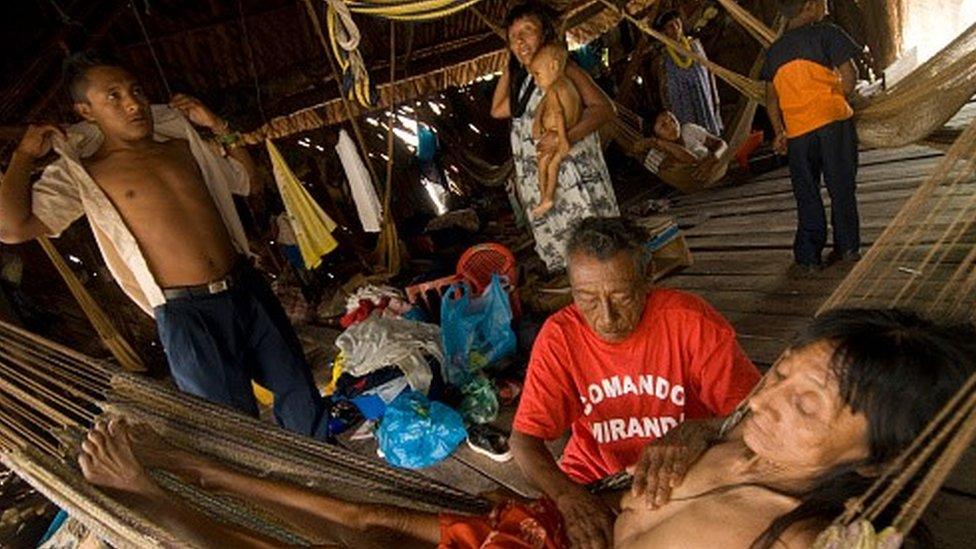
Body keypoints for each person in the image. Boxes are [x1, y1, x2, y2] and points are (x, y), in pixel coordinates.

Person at [78, 308, 976, 548]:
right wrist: (696, 428)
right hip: (548, 530)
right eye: (781, 370)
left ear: (878, 453)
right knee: (364, 515)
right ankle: (208, 466)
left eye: (808, 403)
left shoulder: (811, 534)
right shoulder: (744, 430)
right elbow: (724, 407)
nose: (771, 397)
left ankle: (161, 496)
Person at [0, 52, 329, 439]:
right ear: (85, 111)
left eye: (135, 90)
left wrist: (216, 125)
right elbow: (12, 228)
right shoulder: (86, 175)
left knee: (301, 394)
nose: (134, 103)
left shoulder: (181, 146)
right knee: (232, 432)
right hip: (187, 313)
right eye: (114, 96)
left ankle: (345, 484)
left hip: (246, 288)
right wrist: (24, 155)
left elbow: (247, 180)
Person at [510, 216, 761, 547]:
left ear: (648, 279)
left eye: (622, 297)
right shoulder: (559, 337)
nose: (606, 317)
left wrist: (700, 430)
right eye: (587, 298)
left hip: (681, 475)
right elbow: (524, 442)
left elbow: (756, 414)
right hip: (593, 480)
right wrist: (568, 497)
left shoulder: (691, 323)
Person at [490, 2, 619, 273]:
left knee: (598, 252)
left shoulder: (562, 69)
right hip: (544, 186)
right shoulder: (527, 81)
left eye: (527, 31)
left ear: (546, 34)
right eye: (513, 37)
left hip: (573, 179)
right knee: (569, 259)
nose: (520, 40)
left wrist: (566, 137)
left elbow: (605, 109)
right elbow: (497, 109)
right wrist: (511, 61)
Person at [761, 0, 862, 273]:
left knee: (806, 192)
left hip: (798, 134)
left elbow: (771, 99)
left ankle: (808, 257)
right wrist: (837, 98)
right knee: (841, 186)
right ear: (810, 5)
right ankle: (848, 246)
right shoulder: (827, 32)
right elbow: (850, 76)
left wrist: (780, 132)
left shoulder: (774, 51)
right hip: (833, 123)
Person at [529, 44, 581, 219]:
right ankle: (546, 198)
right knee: (549, 163)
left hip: (559, 135)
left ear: (553, 66)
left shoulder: (553, 89)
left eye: (537, 75)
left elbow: (559, 113)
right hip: (560, 133)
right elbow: (575, 110)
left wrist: (563, 138)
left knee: (546, 163)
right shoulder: (567, 84)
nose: (536, 81)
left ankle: (546, 197)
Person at [653, 10, 723, 136]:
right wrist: (668, 109)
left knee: (709, 131)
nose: (675, 28)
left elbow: (708, 71)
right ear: (664, 32)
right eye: (670, 26)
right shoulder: (663, 58)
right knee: (691, 134)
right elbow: (663, 86)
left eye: (677, 24)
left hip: (702, 96)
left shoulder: (695, 46)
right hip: (682, 104)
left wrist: (715, 95)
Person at [633, 110, 728, 190]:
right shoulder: (655, 155)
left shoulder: (688, 129)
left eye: (672, 120)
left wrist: (714, 158)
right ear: (654, 135)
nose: (672, 126)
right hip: (697, 188)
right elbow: (692, 161)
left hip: (719, 171)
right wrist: (661, 144)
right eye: (663, 125)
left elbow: (721, 144)